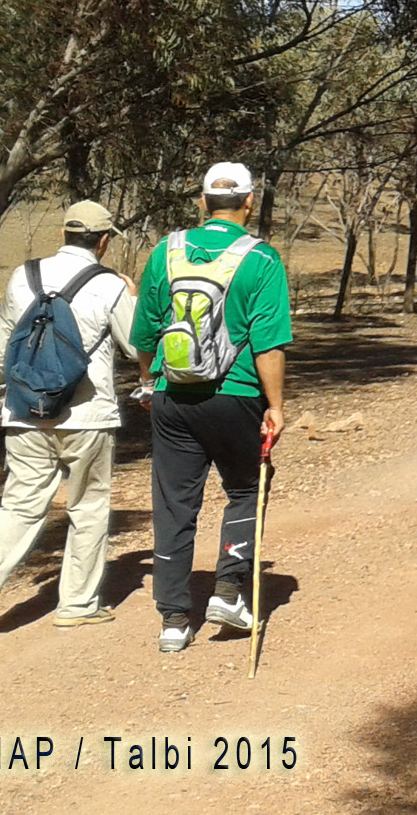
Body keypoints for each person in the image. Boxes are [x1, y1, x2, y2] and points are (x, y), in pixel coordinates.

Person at [0, 201, 138, 638]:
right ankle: (77, 605)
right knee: (87, 508)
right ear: (103, 241)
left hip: (25, 410)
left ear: (63, 235)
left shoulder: (25, 275)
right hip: (88, 415)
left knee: (20, 504)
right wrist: (132, 299)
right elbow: (136, 346)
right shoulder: (108, 284)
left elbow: (0, 341)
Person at [130, 163, 293, 654]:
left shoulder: (167, 251)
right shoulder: (261, 259)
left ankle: (173, 620)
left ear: (202, 202)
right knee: (246, 488)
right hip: (235, 395)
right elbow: (268, 344)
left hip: (173, 395)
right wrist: (276, 405)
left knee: (174, 505)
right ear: (249, 202)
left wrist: (148, 383)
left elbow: (144, 332)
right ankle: (227, 590)